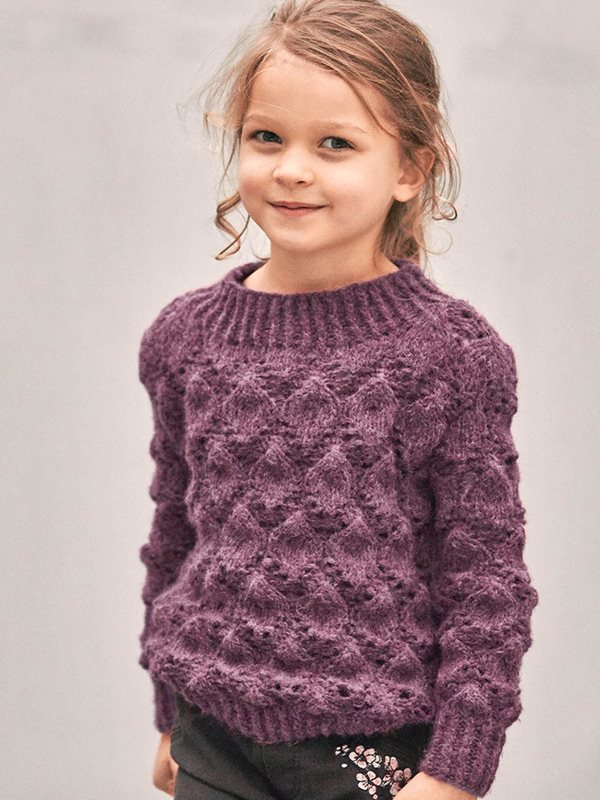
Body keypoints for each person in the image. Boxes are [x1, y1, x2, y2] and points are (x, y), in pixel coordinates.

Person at [136, 1, 539, 799]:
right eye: (266, 137)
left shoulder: (450, 355)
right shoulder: (184, 338)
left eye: (335, 144)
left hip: (368, 751)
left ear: (410, 168)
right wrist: (167, 716)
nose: (292, 168)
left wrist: (458, 767)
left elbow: (484, 578)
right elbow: (174, 537)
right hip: (212, 739)